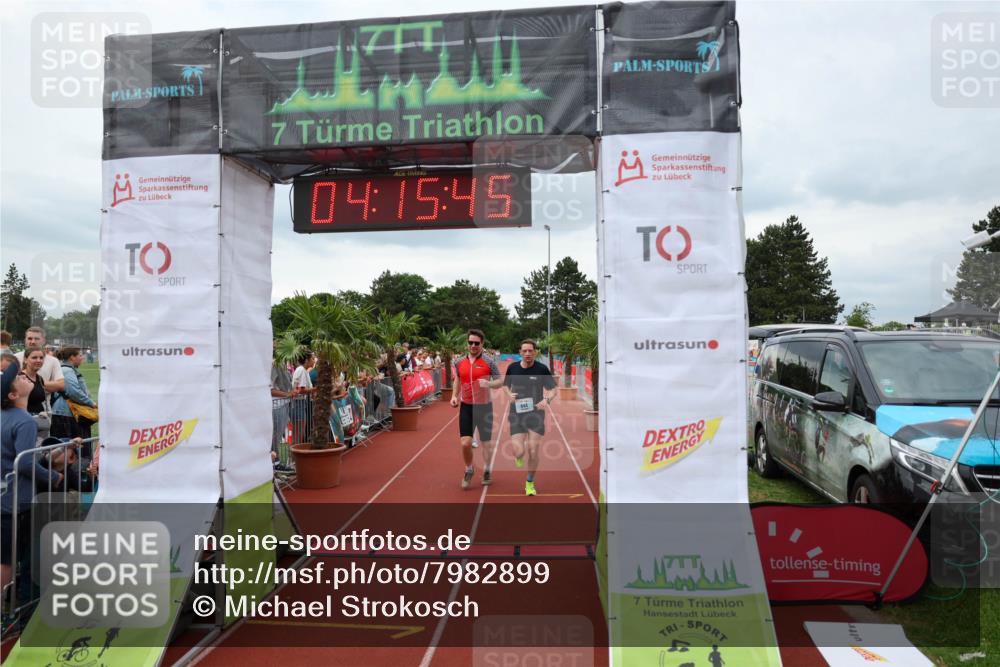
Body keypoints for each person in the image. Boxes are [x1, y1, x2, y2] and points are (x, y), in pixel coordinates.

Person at [2, 361, 64, 591]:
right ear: (12, 393)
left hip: (5, 496)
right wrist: (53, 477)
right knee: (7, 560)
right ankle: (6, 615)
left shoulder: (6, 416)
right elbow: (25, 461)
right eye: (17, 378)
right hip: (15, 502)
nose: (23, 376)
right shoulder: (24, 421)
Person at [503, 339, 557, 496]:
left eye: (530, 351)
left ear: (535, 352)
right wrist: (508, 394)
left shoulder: (541, 369)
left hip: (536, 414)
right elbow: (505, 385)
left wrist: (546, 400)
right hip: (516, 414)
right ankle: (519, 455)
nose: (527, 353)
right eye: (524, 351)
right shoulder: (512, 368)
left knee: (533, 451)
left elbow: (553, 390)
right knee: (519, 452)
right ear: (520, 352)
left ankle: (530, 483)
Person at [450, 329, 502, 489]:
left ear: (482, 344)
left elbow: (500, 381)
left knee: (486, 443)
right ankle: (469, 469)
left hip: (484, 407)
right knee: (465, 443)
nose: (473, 345)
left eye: (476, 343)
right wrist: (454, 396)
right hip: (466, 406)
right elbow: (458, 379)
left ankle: (487, 469)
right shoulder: (459, 362)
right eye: (470, 342)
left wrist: (489, 384)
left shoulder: (489, 361)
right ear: (467, 343)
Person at [51, 346, 97, 442]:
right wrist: (91, 403)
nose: (82, 357)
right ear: (72, 357)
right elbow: (74, 392)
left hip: (66, 413)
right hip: (67, 414)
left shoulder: (65, 369)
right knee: (72, 449)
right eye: (80, 355)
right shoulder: (67, 371)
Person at [15, 327, 64, 395]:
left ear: (43, 341)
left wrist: (33, 383)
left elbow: (61, 385)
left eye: (36, 339)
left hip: (43, 403)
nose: (33, 342)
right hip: (17, 403)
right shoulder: (15, 358)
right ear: (25, 340)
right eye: (30, 338)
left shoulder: (53, 361)